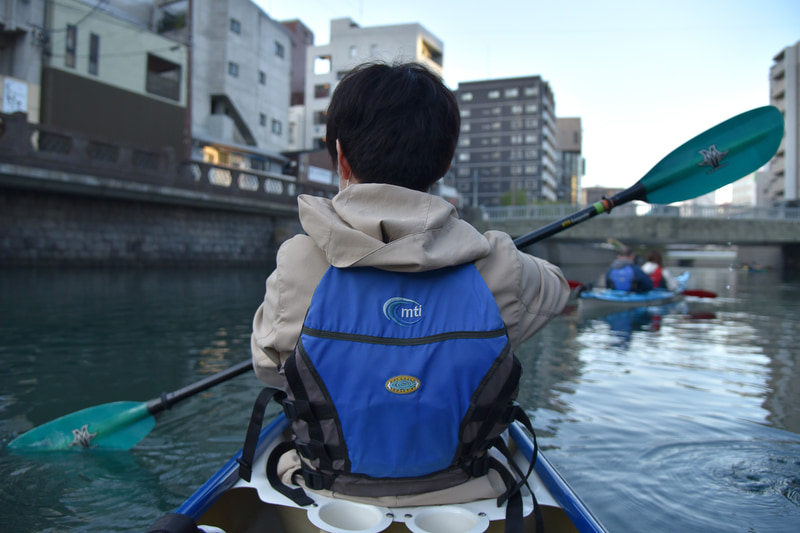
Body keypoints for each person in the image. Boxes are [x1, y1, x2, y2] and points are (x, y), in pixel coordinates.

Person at [248, 61, 569, 511]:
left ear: (340, 157)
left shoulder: (299, 261)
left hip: (330, 493)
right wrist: (495, 251)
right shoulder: (498, 262)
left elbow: (269, 368)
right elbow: (558, 288)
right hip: (469, 490)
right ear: (444, 162)